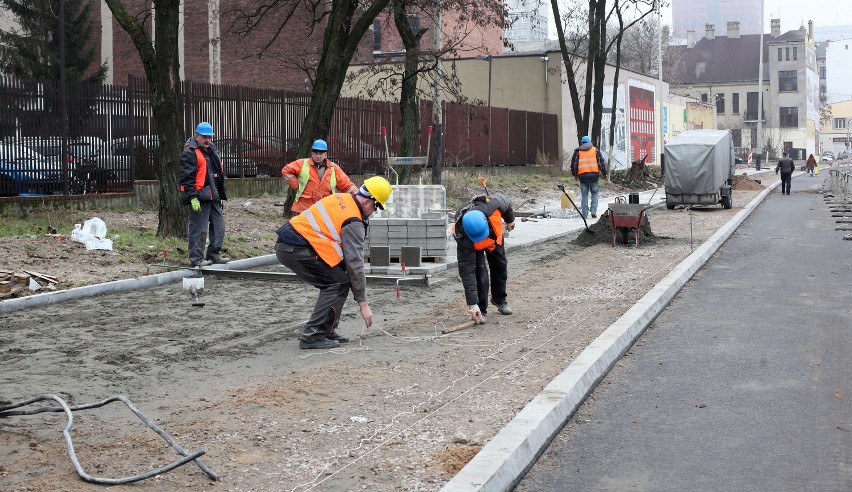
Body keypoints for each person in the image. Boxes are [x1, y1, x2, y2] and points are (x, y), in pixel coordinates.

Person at [275, 176, 393, 349]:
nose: (374, 212)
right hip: (296, 248)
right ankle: (312, 335)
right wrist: (363, 303)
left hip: (292, 243)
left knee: (341, 279)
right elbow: (355, 263)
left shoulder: (342, 198)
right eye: (377, 207)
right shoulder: (354, 221)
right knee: (335, 283)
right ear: (369, 202)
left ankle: (325, 330)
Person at [453, 193, 516, 324]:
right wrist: (472, 304)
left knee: (500, 266)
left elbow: (506, 203)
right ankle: (480, 309)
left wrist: (510, 220)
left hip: (493, 238)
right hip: (473, 247)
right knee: (480, 273)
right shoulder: (462, 234)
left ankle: (500, 300)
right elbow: (467, 272)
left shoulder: (493, 204)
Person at [180, 122, 228, 267]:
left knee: (219, 227)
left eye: (209, 137)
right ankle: (196, 259)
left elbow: (217, 174)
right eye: (204, 137)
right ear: (197, 135)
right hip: (199, 197)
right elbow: (187, 177)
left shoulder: (211, 150)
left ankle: (213, 256)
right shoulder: (190, 152)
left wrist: (219, 195)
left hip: (213, 196)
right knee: (198, 230)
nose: (207, 140)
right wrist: (192, 197)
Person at [281, 139, 358, 214]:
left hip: (325, 209)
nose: (318, 156)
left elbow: (347, 186)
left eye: (321, 154)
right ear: (312, 153)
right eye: (316, 153)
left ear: (325, 154)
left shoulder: (333, 168)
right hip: (304, 208)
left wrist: (358, 195)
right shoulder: (303, 164)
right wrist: (297, 186)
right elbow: (286, 171)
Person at [570, 136, 608, 219]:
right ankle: (593, 211)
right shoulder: (595, 150)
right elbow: (601, 163)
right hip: (594, 176)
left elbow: (574, 164)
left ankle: (585, 213)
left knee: (584, 195)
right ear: (590, 142)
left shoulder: (578, 151)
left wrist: (575, 174)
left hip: (583, 177)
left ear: (582, 143)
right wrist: (605, 174)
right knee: (595, 193)